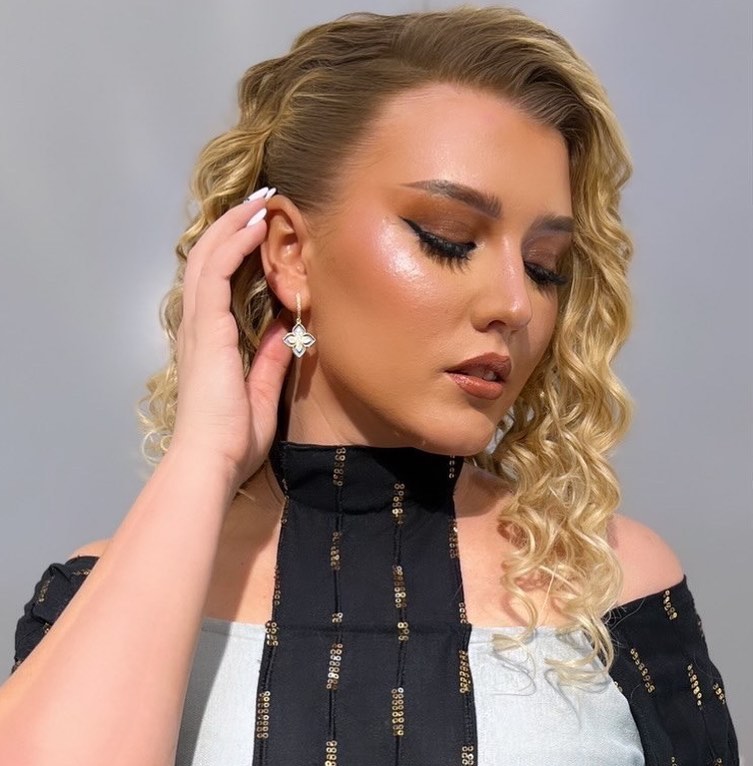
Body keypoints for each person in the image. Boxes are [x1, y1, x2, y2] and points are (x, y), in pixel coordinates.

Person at [0, 6, 738, 765]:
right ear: (290, 253)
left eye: (543, 266)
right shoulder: (102, 594)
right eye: (449, 239)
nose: (515, 305)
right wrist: (202, 458)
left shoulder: (612, 583)